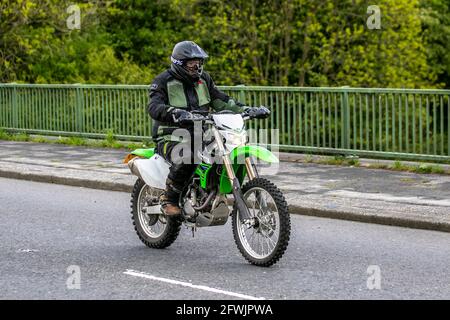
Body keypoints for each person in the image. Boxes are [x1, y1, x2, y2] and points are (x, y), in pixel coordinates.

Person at [148, 40, 267, 216]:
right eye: (192, 63)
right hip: (170, 137)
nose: (197, 67)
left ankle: (212, 190)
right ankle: (170, 199)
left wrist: (247, 109)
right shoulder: (163, 81)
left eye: (199, 62)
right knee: (188, 154)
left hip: (200, 133)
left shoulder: (204, 80)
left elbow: (222, 100)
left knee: (224, 148)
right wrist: (175, 112)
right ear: (179, 63)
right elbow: (154, 107)